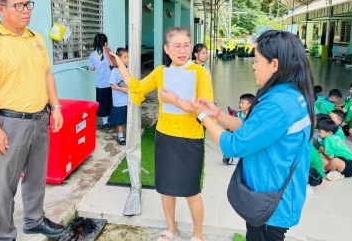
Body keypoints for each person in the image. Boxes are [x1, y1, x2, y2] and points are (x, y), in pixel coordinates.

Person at [175, 30, 314, 240]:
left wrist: (201, 115)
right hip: (273, 192)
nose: (253, 65)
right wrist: (217, 114)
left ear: (275, 64)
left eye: (257, 60)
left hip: (270, 200)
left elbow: (233, 145)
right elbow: (251, 128)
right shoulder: (289, 94)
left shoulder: (277, 105)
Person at [0, 0, 65, 240]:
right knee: (5, 185)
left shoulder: (36, 39)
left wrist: (55, 108)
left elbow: (47, 74)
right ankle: (3, 235)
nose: (26, 10)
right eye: (19, 5)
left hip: (39, 118)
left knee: (36, 176)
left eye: (28, 3)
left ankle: (34, 220)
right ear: (1, 9)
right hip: (9, 124)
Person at [110, 27, 213, 241]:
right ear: (167, 49)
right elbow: (136, 88)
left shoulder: (201, 73)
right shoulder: (160, 72)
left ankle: (198, 234)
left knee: (191, 190)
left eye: (186, 45)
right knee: (166, 187)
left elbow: (206, 110)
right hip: (165, 136)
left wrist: (174, 101)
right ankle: (170, 229)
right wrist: (119, 64)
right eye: (177, 46)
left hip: (191, 137)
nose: (182, 50)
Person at [88, 33, 112, 130]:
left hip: (100, 84)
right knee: (110, 102)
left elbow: (92, 68)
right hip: (111, 83)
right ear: (105, 43)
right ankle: (111, 121)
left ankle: (105, 123)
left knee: (102, 103)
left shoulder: (93, 54)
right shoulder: (110, 53)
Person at [223, 93, 255, 166]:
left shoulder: (253, 115)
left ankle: (231, 159)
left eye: (242, 103)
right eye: (240, 102)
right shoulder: (239, 114)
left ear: (250, 104)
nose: (240, 104)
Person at [108, 47, 129, 146]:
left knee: (127, 117)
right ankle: (120, 135)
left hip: (128, 99)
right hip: (119, 100)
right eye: (125, 57)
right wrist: (123, 89)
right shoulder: (115, 71)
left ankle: (128, 134)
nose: (127, 59)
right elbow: (112, 85)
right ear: (118, 59)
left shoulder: (128, 69)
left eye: (127, 57)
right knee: (119, 119)